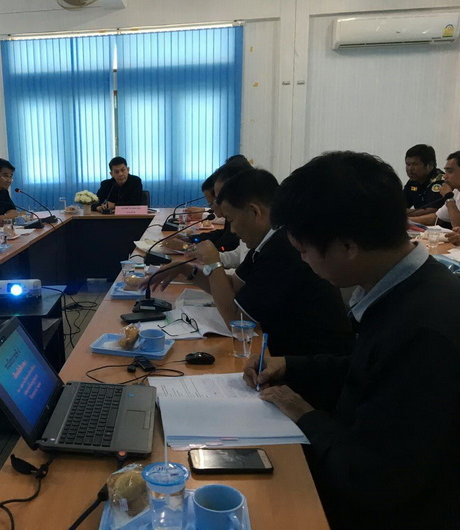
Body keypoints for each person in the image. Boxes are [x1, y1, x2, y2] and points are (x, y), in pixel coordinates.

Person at [244, 151, 460, 530]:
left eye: (304, 251)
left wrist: (305, 414)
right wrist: (290, 365)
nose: (304, 261)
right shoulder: (406, 286)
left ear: (347, 246)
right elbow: (373, 367)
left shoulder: (425, 331)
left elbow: (375, 478)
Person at [149, 167, 352, 357]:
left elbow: (237, 322)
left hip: (307, 362)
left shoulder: (282, 249)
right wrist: (187, 270)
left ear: (255, 212)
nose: (232, 230)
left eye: (231, 220)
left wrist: (213, 262)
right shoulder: (266, 243)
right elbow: (231, 287)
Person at [403, 144, 446, 220]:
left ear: (430, 165)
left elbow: (432, 211)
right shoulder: (413, 181)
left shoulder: (439, 181)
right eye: (408, 164)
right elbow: (400, 203)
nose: (410, 169)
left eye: (415, 164)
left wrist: (401, 212)